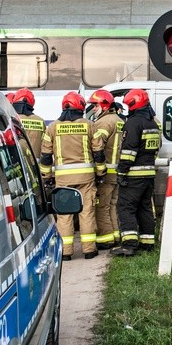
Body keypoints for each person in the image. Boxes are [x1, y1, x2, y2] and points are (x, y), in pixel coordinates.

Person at [39, 92, 106, 260]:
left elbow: (46, 156)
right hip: (86, 178)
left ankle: (66, 252)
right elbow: (98, 153)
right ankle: (89, 250)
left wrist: (46, 176)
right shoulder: (90, 125)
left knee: (64, 214)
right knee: (87, 212)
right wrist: (100, 173)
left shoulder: (52, 127)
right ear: (80, 107)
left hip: (63, 179)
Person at [114, 88, 161, 256]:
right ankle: (147, 243)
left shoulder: (133, 123)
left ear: (134, 103)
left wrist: (121, 172)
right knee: (145, 207)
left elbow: (129, 151)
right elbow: (157, 148)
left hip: (133, 175)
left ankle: (129, 244)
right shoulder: (152, 123)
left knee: (126, 207)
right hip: (148, 174)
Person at [88, 89, 125, 250]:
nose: (93, 109)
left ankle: (106, 239)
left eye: (95, 106)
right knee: (113, 205)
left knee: (101, 206)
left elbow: (97, 148)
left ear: (103, 105)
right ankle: (116, 236)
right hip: (117, 170)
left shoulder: (103, 123)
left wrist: (98, 171)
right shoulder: (119, 120)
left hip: (107, 172)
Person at [10, 88, 46, 158]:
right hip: (36, 165)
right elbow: (45, 145)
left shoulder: (13, 118)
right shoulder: (41, 121)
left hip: (19, 164)